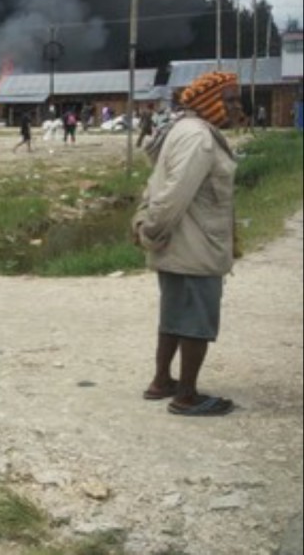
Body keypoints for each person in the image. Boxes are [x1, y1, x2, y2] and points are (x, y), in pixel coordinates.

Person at [132, 71, 241, 417]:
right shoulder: (200, 139)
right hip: (196, 248)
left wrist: (148, 226)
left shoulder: (182, 130)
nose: (238, 106)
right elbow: (174, 193)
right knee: (196, 322)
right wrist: (150, 230)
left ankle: (162, 381)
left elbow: (156, 184)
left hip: (177, 247)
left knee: (174, 316)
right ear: (211, 102)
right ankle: (187, 396)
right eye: (232, 99)